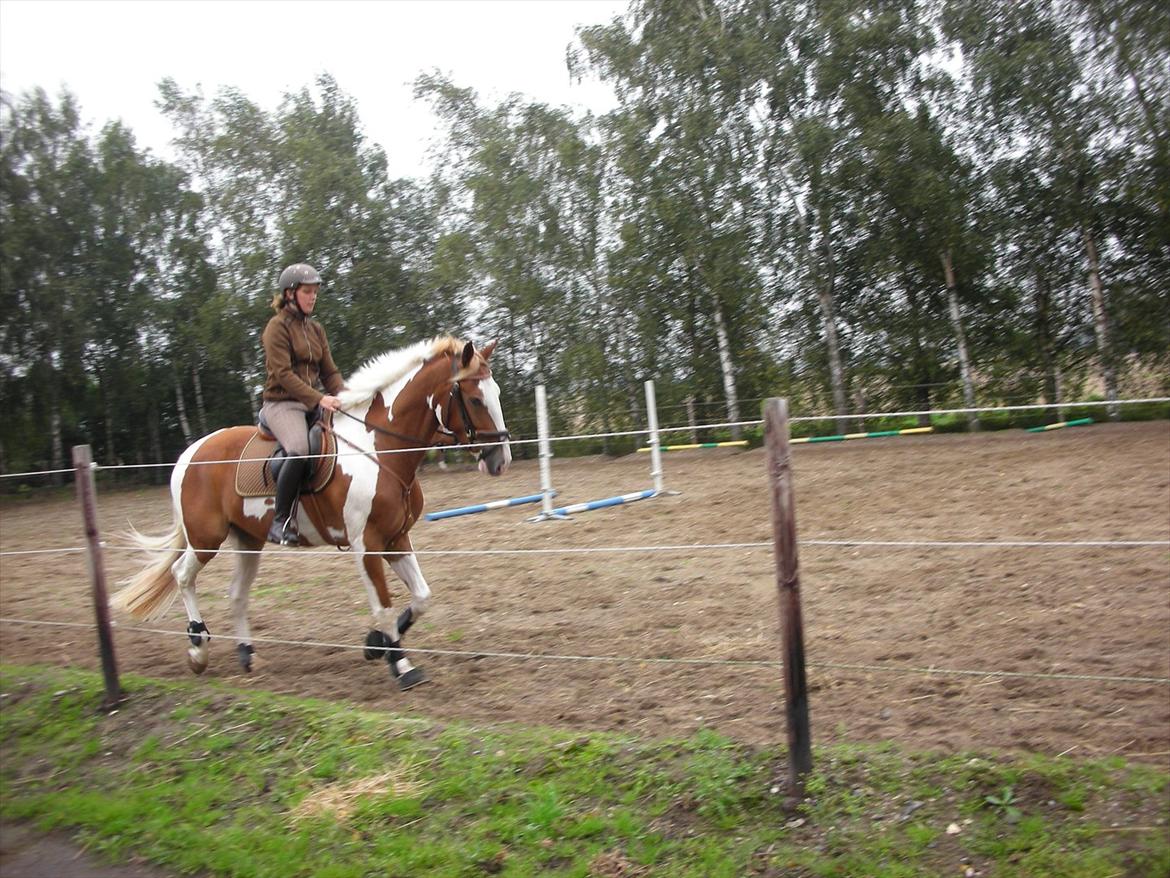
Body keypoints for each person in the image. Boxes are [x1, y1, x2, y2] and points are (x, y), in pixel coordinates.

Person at [260, 262, 344, 545]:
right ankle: (280, 521)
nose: (313, 297)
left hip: (313, 404)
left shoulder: (316, 329)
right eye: (307, 291)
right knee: (298, 450)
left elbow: (329, 373)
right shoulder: (276, 328)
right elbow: (283, 375)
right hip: (283, 404)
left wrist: (348, 397)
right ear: (290, 294)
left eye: (315, 292)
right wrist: (320, 398)